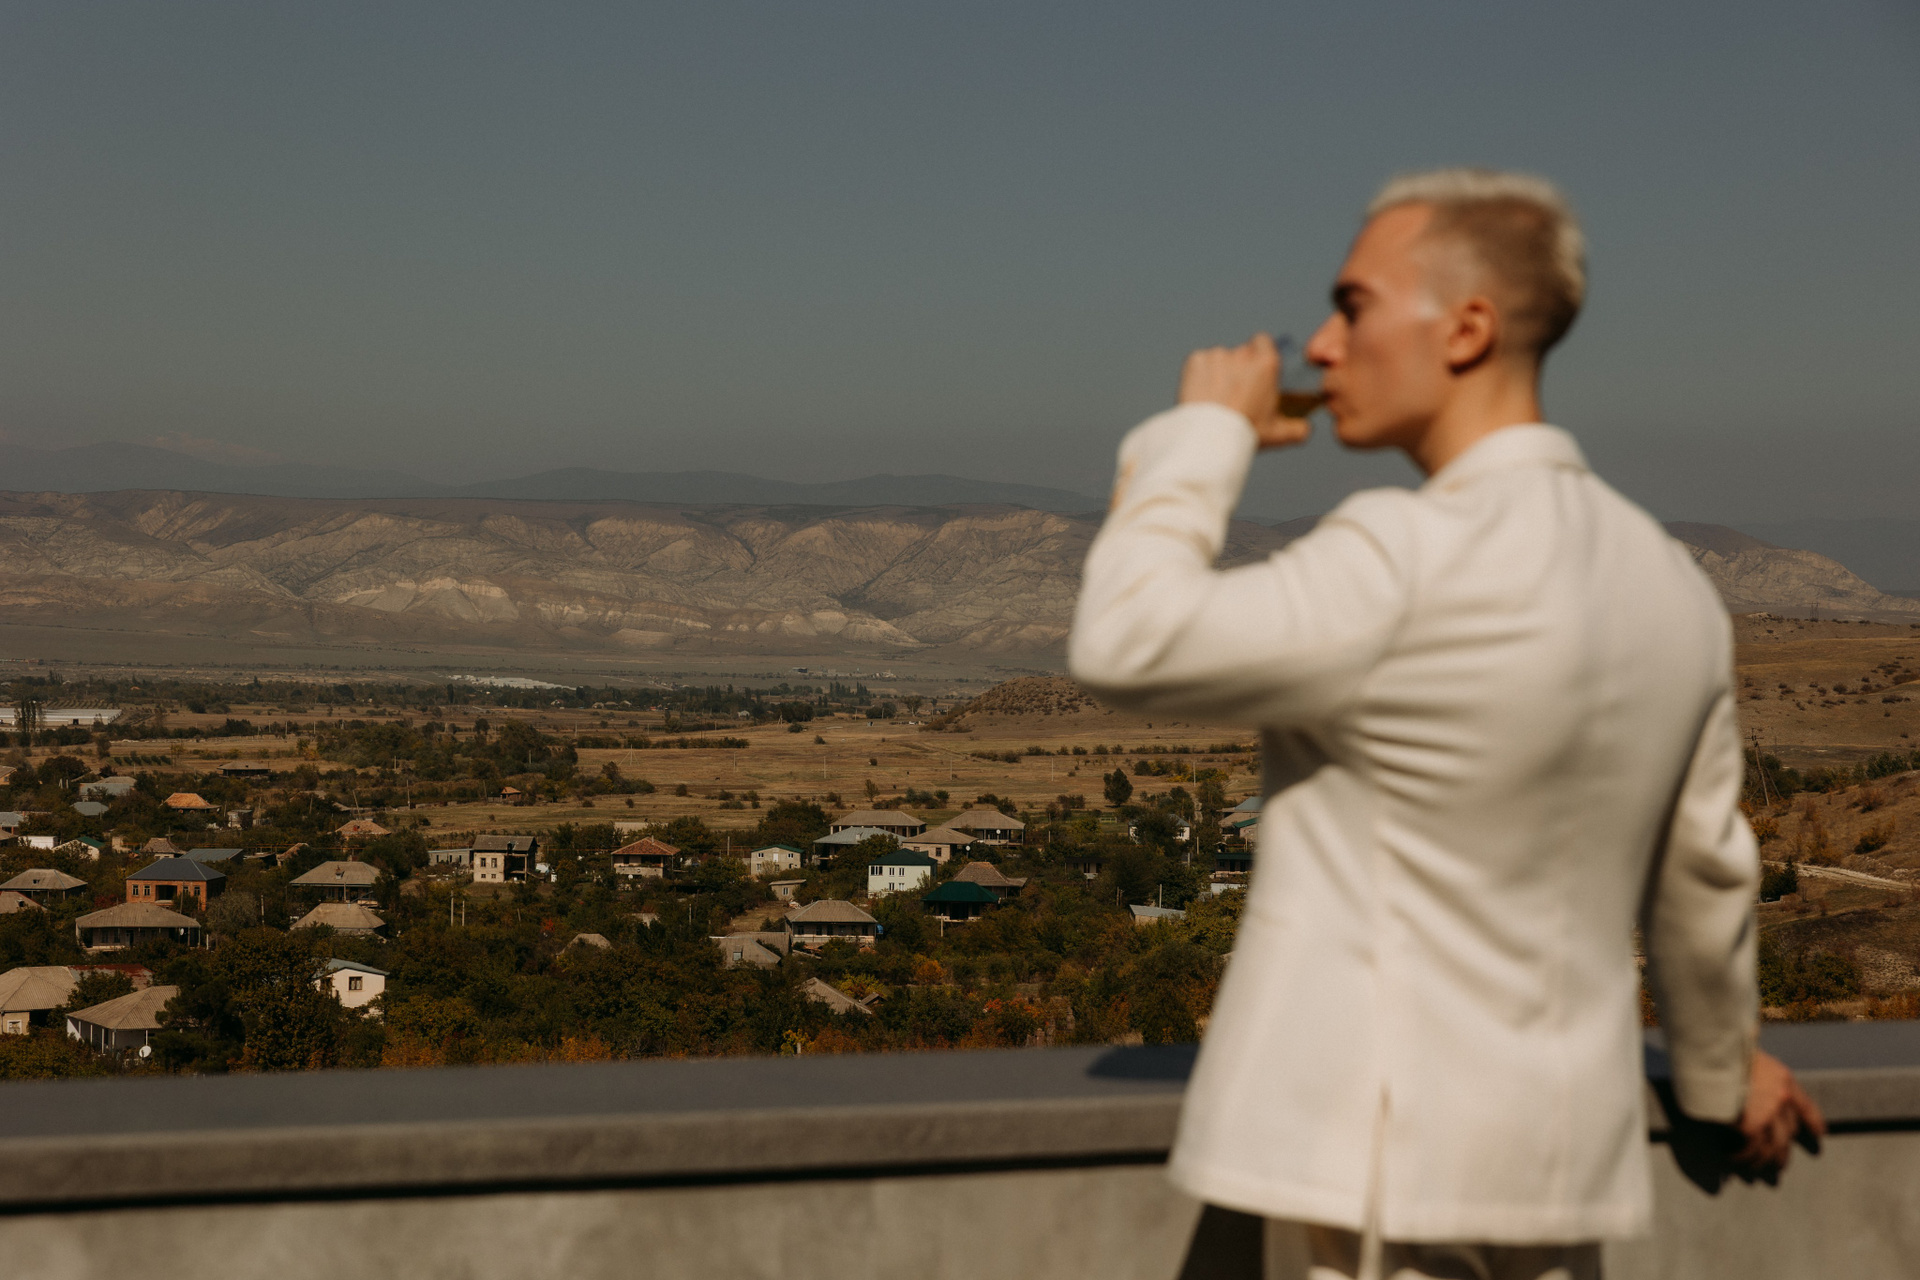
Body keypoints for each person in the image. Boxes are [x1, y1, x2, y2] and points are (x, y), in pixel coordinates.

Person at [1067, 169, 1823, 1280]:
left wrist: (1202, 434)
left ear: (1467, 329)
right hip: (1557, 1184)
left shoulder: (1402, 553)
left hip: (1370, 1187)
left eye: (1353, 305)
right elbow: (1702, 884)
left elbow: (1126, 638)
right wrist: (1717, 1082)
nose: (1323, 345)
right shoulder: (1670, 586)